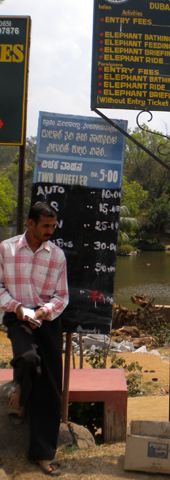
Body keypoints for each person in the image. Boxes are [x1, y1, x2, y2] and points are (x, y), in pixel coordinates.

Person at [0, 202, 69, 476]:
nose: (50, 231)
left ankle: (43, 454)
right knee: (28, 359)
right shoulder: (6, 249)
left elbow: (62, 296)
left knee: (51, 386)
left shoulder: (58, 255)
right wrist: (18, 308)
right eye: (45, 226)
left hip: (48, 320)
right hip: (17, 317)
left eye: (53, 226)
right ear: (30, 224)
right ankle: (22, 389)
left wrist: (42, 311)